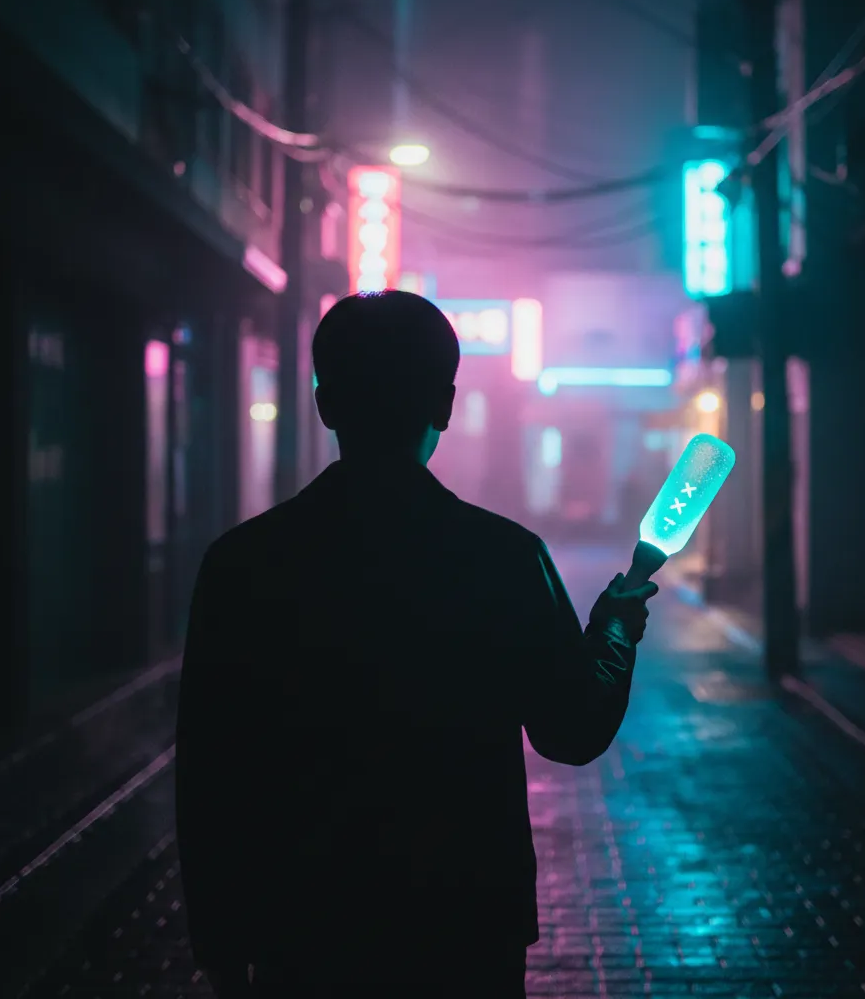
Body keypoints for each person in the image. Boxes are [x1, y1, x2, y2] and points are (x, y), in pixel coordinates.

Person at [175, 291, 659, 997]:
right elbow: (571, 727)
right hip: (465, 922)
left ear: (324, 403)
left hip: (306, 924)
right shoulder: (504, 558)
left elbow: (212, 772)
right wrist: (614, 626)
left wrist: (221, 946)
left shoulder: (244, 564)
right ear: (445, 405)